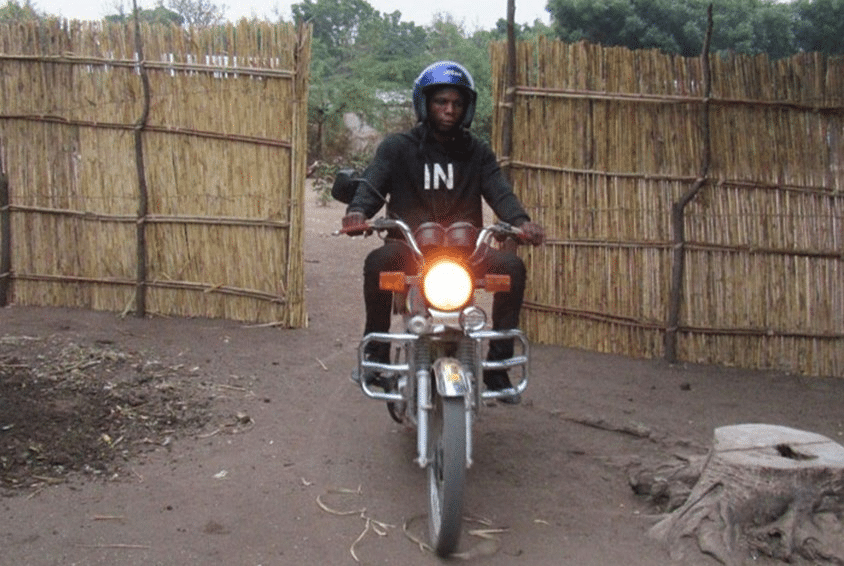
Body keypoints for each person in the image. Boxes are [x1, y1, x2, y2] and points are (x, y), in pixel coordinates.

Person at [341, 60, 545, 404]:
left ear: (466, 109)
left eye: (457, 103)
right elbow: (373, 185)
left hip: (468, 252)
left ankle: (496, 367)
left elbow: (500, 192)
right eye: (441, 102)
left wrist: (521, 221)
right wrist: (357, 212)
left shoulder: (477, 152)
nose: (449, 110)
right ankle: (376, 356)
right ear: (425, 103)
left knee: (512, 268)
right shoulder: (397, 147)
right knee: (378, 263)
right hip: (409, 249)